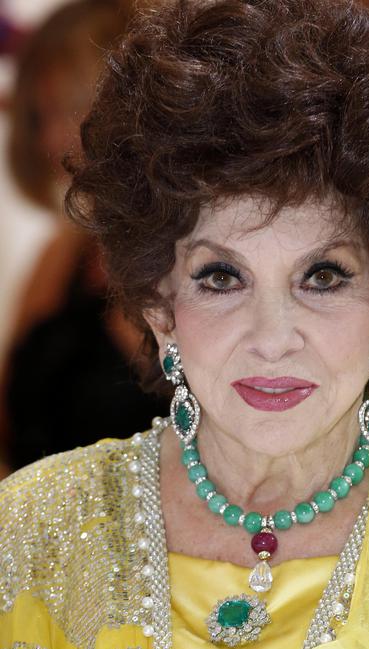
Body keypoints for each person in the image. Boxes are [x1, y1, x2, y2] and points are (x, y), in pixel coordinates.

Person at [0, 1, 369, 649]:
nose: (273, 338)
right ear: (159, 305)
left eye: (323, 276)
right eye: (221, 277)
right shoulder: (33, 531)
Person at [0, 0, 168, 470]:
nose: (52, 140)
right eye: (40, 117)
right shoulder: (61, 254)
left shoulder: (200, 254)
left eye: (71, 110)